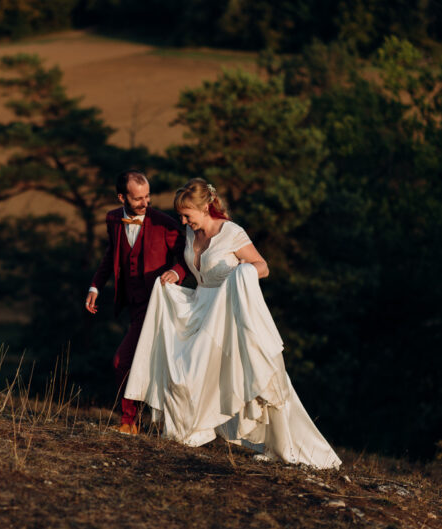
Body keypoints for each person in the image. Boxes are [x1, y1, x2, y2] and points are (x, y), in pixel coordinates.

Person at [124, 178, 341, 468]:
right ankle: (187, 430)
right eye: (181, 216)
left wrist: (244, 274)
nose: (184, 221)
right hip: (198, 308)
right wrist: (177, 275)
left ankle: (282, 444)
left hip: (226, 312)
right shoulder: (191, 232)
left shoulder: (231, 233)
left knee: (246, 373)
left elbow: (263, 266)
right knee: (183, 370)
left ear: (205, 208)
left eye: (187, 215)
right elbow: (192, 267)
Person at [85, 170, 188, 435]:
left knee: (122, 360)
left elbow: (187, 258)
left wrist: (176, 273)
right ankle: (143, 422)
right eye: (138, 198)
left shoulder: (165, 223)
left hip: (157, 305)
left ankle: (129, 421)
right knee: (148, 362)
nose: (146, 203)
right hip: (132, 305)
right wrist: (96, 285)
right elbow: (112, 254)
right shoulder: (112, 219)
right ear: (122, 197)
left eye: (148, 196)